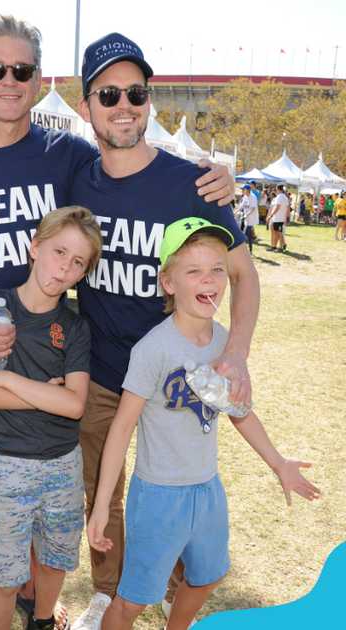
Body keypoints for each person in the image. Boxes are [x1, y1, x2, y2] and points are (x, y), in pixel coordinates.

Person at [0, 17, 234, 630]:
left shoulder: (71, 156)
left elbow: (132, 162)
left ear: (39, 82)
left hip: (64, 360)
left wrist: (216, 180)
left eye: (23, 70)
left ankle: (45, 597)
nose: (10, 81)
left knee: (60, 486)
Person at [69, 33, 258, 630]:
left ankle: (176, 592)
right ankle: (109, 591)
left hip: (181, 377)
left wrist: (238, 354)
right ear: (87, 106)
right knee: (108, 491)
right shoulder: (74, 180)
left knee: (176, 488)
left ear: (149, 100)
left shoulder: (192, 183)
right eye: (108, 94)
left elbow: (244, 275)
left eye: (136, 92)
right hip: (103, 374)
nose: (123, 105)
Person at [86, 218, 320, 630]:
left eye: (216, 269)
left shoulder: (223, 342)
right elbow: (121, 428)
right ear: (168, 282)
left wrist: (278, 463)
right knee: (133, 599)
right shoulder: (152, 349)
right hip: (159, 495)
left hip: (207, 488)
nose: (207, 279)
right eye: (193, 271)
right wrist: (103, 504)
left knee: (209, 575)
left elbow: (239, 411)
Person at [0, 206, 102, 630]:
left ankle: (42, 620)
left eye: (78, 263)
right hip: (5, 462)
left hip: (62, 463)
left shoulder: (73, 327)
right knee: (3, 573)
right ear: (34, 247)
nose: (65, 268)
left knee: (55, 559)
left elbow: (74, 405)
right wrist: (43, 393)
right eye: (59, 252)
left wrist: (7, 380)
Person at [235, 184, 258, 252]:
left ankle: (247, 250)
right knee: (247, 234)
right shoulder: (245, 196)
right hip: (245, 218)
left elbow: (253, 209)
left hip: (251, 218)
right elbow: (241, 206)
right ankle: (248, 250)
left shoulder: (253, 197)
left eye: (243, 189)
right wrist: (234, 212)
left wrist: (246, 215)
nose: (242, 191)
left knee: (247, 233)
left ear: (247, 190)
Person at [267, 184, 289, 252]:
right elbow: (288, 208)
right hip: (281, 218)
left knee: (278, 233)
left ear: (278, 189)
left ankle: (282, 247)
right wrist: (287, 217)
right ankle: (275, 246)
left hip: (278, 218)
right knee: (278, 233)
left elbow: (277, 207)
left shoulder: (279, 197)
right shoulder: (285, 197)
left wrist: (271, 215)